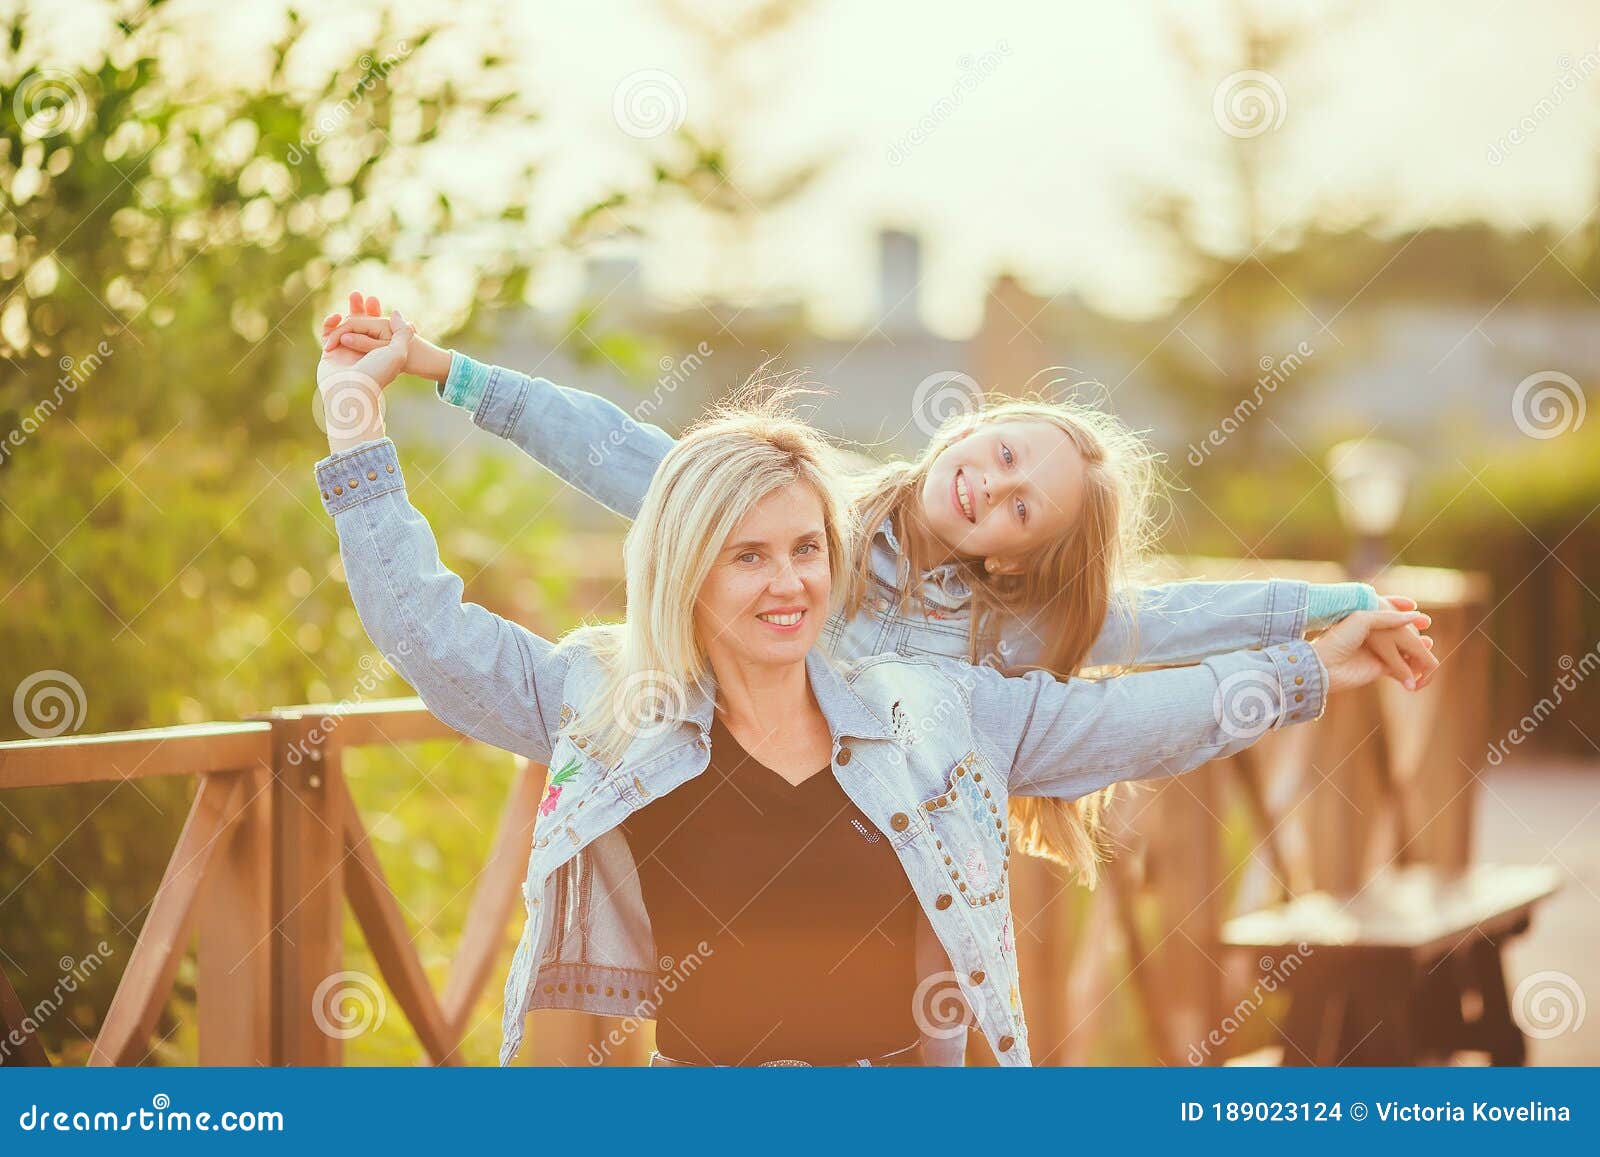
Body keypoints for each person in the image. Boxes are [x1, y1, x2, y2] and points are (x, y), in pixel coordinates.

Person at [312, 313, 1433, 1067]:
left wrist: (1317, 628)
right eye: (749, 553)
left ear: (1013, 557)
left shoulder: (955, 690)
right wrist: (421, 383)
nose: (793, 576)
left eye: (1017, 506)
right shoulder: (620, 692)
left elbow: (1139, 667)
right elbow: (598, 468)